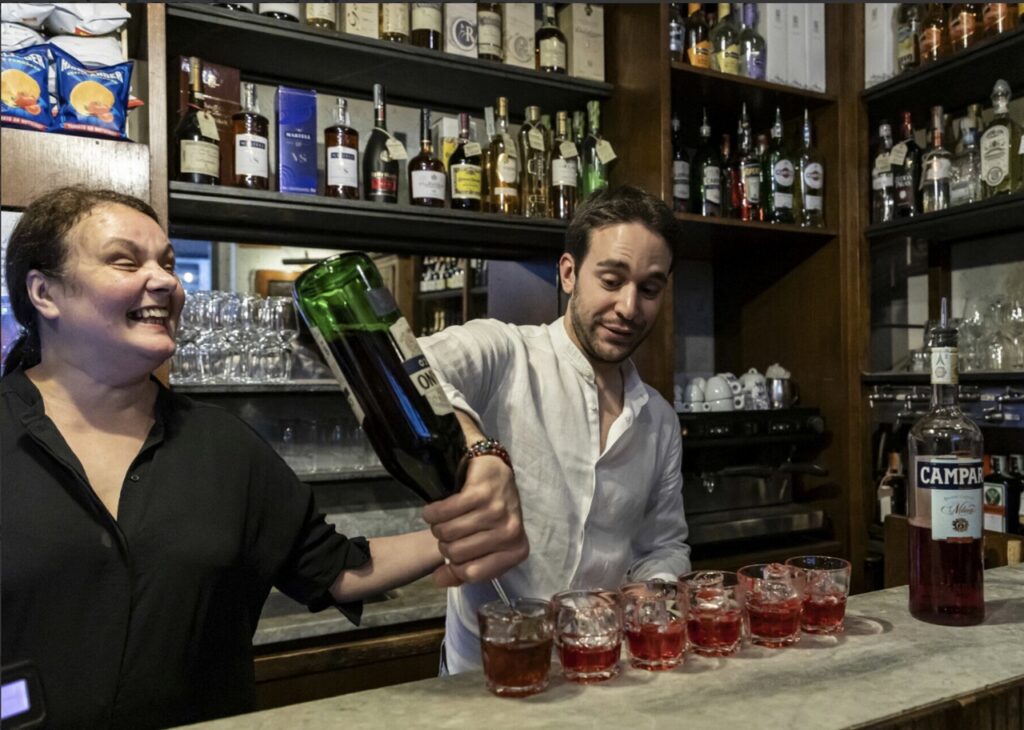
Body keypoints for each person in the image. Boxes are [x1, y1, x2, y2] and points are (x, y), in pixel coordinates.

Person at [0, 187, 528, 729]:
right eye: (125, 261)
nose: (165, 281)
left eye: (168, 263)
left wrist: (472, 524)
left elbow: (336, 570)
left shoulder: (224, 447)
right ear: (44, 292)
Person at [421, 185, 692, 674]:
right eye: (611, 280)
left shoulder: (659, 421)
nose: (630, 308)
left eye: (649, 289)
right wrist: (478, 450)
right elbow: (403, 366)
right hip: (485, 681)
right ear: (569, 273)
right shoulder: (507, 354)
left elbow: (664, 545)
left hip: (600, 672)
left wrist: (654, 588)